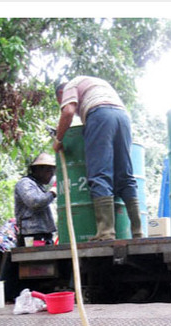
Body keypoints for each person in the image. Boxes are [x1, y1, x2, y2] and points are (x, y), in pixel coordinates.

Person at [53, 76, 143, 241]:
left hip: (99, 116)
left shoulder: (70, 86)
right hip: (122, 117)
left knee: (99, 174)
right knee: (125, 175)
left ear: (61, 93)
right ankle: (137, 232)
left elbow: (68, 112)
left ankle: (106, 232)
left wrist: (58, 139)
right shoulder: (96, 83)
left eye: (61, 101)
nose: (62, 103)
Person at [14, 152, 57, 246]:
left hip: (43, 235)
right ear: (38, 170)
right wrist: (53, 192)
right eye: (49, 171)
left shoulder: (39, 186)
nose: (51, 175)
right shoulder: (25, 183)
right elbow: (35, 202)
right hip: (31, 236)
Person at [0, 218, 21, 302]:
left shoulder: (7, 224)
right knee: (7, 272)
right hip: (4, 248)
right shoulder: (19, 224)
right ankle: (7, 296)